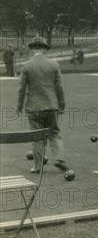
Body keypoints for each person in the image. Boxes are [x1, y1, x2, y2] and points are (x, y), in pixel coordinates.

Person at [16, 36, 69, 173]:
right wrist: (62, 104)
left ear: (32, 48)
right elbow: (59, 87)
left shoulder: (26, 65)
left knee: (37, 137)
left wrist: (19, 106)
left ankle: (37, 166)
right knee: (54, 133)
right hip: (52, 105)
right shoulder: (54, 64)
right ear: (45, 49)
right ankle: (59, 159)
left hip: (34, 107)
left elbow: (21, 89)